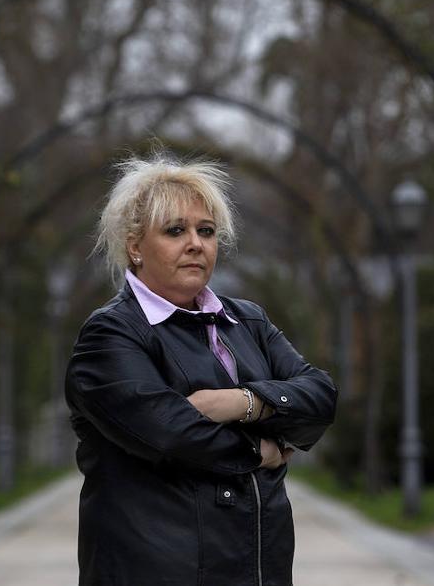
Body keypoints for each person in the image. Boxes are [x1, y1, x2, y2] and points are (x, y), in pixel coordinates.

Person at [65, 152, 338, 586]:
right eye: (175, 230)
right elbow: (170, 433)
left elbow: (320, 397)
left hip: (257, 568)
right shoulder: (110, 335)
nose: (196, 243)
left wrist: (243, 402)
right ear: (135, 246)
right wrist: (259, 451)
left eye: (206, 231)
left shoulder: (246, 320)